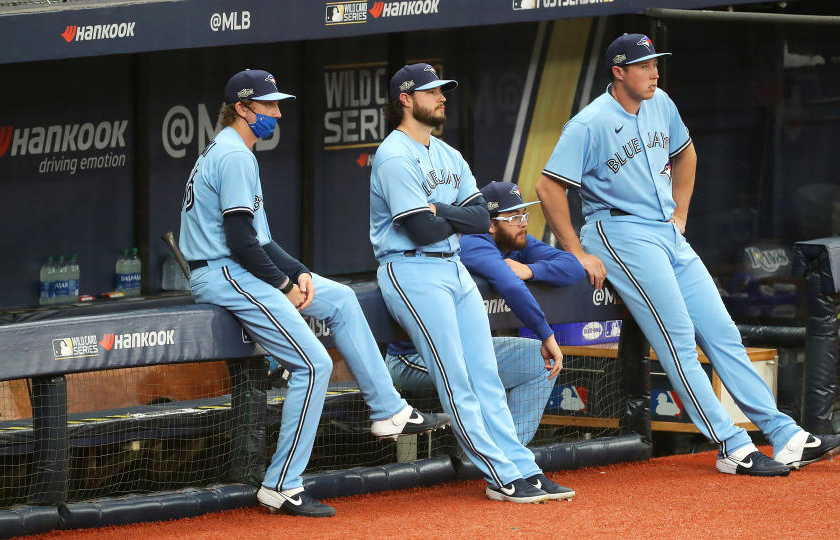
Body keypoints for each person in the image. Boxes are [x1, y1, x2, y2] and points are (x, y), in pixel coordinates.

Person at [536, 34, 840, 476]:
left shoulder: (660, 102)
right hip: (620, 230)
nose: (654, 72)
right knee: (679, 340)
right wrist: (575, 251)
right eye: (645, 65)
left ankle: (785, 435)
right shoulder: (588, 124)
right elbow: (549, 187)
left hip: (665, 231)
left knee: (722, 332)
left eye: (655, 64)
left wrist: (681, 213)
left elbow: (685, 154)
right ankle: (733, 446)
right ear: (619, 71)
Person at [179, 69, 448, 517]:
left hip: (238, 266)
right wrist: (283, 286)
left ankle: (388, 411)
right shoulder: (233, 155)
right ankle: (282, 484)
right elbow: (242, 242)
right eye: (267, 106)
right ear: (242, 109)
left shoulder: (235, 150)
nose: (277, 113)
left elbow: (260, 241)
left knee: (340, 298)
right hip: (222, 273)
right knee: (312, 364)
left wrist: (300, 273)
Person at [370, 63, 574, 502]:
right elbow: (418, 232)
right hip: (411, 268)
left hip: (453, 267)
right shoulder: (393, 155)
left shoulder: (448, 154)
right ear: (405, 99)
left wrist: (438, 209)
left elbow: (483, 219)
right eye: (432, 91)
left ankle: (522, 465)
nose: (443, 97)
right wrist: (449, 216)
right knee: (457, 377)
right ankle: (500, 474)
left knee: (484, 373)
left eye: (443, 90)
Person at [384, 181, 585, 446]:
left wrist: (532, 270)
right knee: (493, 366)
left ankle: (510, 455)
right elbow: (510, 285)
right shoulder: (472, 242)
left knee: (538, 363)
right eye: (513, 217)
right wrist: (547, 335)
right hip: (413, 356)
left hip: (460, 348)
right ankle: (495, 458)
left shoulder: (514, 241)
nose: (523, 222)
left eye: (524, 215)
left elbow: (574, 266)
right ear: (490, 224)